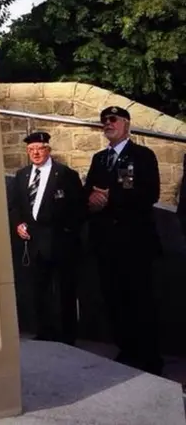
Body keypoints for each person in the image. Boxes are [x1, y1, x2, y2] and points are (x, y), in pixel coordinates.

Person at [84, 105, 163, 375]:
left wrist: (109, 198)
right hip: (106, 244)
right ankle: (126, 349)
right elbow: (88, 193)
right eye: (104, 121)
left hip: (135, 244)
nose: (108, 124)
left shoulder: (142, 155)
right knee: (114, 300)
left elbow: (150, 193)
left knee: (141, 301)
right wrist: (91, 202)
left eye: (113, 120)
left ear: (126, 124)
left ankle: (150, 358)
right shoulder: (99, 159)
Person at [8, 130, 85, 345]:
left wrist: (67, 233)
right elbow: (15, 205)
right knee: (38, 289)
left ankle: (68, 335)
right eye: (31, 149)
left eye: (39, 149)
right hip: (33, 243)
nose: (35, 153)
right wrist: (18, 224)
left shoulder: (65, 174)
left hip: (60, 241)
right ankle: (45, 331)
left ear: (48, 150)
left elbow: (78, 208)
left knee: (64, 290)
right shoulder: (22, 175)